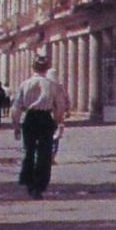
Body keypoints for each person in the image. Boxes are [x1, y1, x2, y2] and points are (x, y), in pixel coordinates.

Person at [11, 55, 67, 199]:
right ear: (47, 69)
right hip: (45, 118)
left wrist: (16, 125)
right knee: (44, 152)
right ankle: (40, 185)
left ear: (33, 68)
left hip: (30, 118)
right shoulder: (52, 85)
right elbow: (60, 105)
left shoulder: (25, 84)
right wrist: (58, 120)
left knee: (28, 151)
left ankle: (29, 181)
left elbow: (16, 107)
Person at [45, 68, 71, 164]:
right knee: (55, 136)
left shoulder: (43, 86)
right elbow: (66, 99)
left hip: (45, 114)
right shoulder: (60, 87)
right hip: (57, 115)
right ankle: (52, 155)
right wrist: (67, 110)